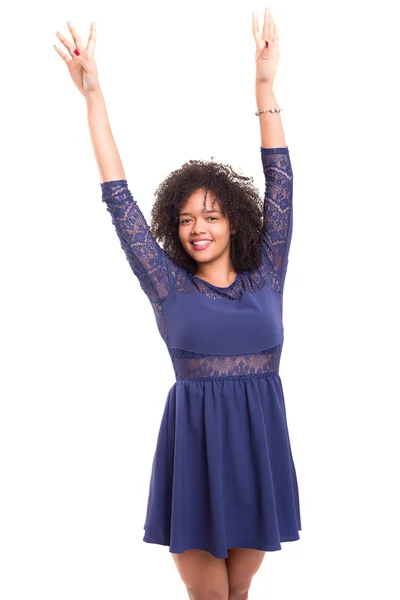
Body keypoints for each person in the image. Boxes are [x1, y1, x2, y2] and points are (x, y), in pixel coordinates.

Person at [55, 7, 301, 599]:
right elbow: (119, 199)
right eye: (187, 219)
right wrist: (93, 96)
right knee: (210, 596)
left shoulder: (268, 271)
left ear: (234, 222)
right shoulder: (167, 284)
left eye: (212, 216)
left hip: (258, 447)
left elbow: (282, 182)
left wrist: (264, 84)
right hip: (196, 454)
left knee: (239, 592)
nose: (199, 229)